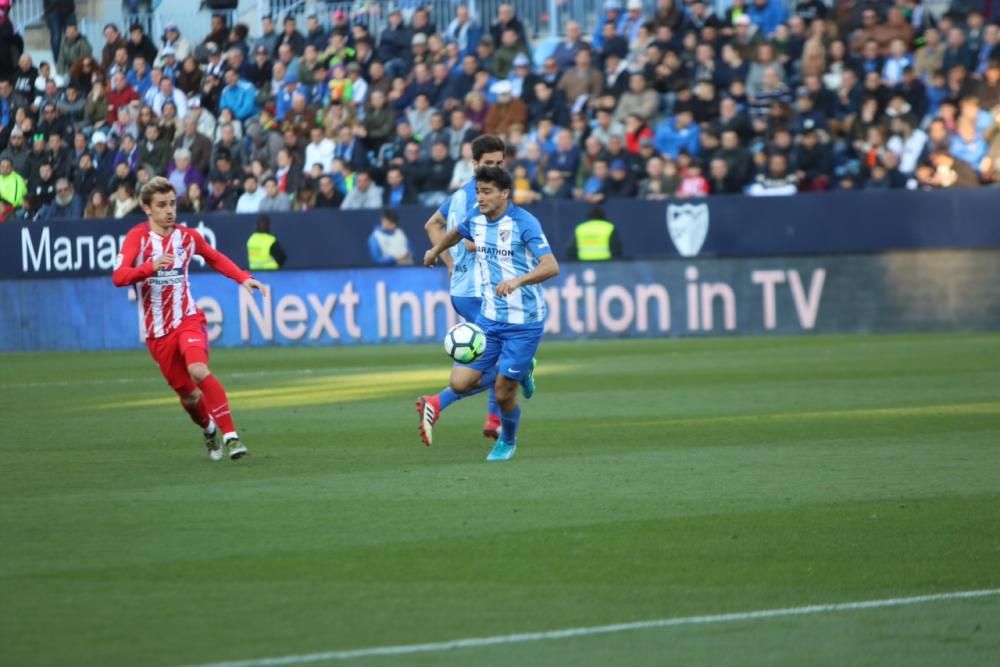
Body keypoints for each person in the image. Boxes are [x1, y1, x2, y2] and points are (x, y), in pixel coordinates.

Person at [111, 177, 267, 460]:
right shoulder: (138, 238)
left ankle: (231, 437)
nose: (169, 210)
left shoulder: (187, 236)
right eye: (161, 205)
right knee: (191, 397)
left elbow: (215, 257)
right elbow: (118, 276)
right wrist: (148, 267)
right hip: (158, 333)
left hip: (188, 319)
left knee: (198, 370)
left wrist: (244, 278)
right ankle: (209, 430)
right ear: (147, 208)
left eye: (172, 203)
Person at [422, 165, 559, 461]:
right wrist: (435, 252)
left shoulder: (525, 223)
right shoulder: (476, 217)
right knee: (460, 382)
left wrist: (517, 281)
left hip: (524, 322)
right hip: (489, 318)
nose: (480, 198)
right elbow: (456, 232)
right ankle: (522, 369)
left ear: (504, 194)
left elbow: (551, 266)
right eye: (478, 192)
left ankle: (507, 440)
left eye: (486, 193)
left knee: (502, 392)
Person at [420, 134, 507, 442]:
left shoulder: (460, 194)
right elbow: (472, 240)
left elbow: (433, 224)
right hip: (478, 292)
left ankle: (494, 418)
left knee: (506, 356)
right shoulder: (481, 197)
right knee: (512, 361)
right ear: (473, 164)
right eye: (488, 164)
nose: (494, 169)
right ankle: (441, 403)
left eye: (499, 163)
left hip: (464, 289)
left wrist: (449, 263)